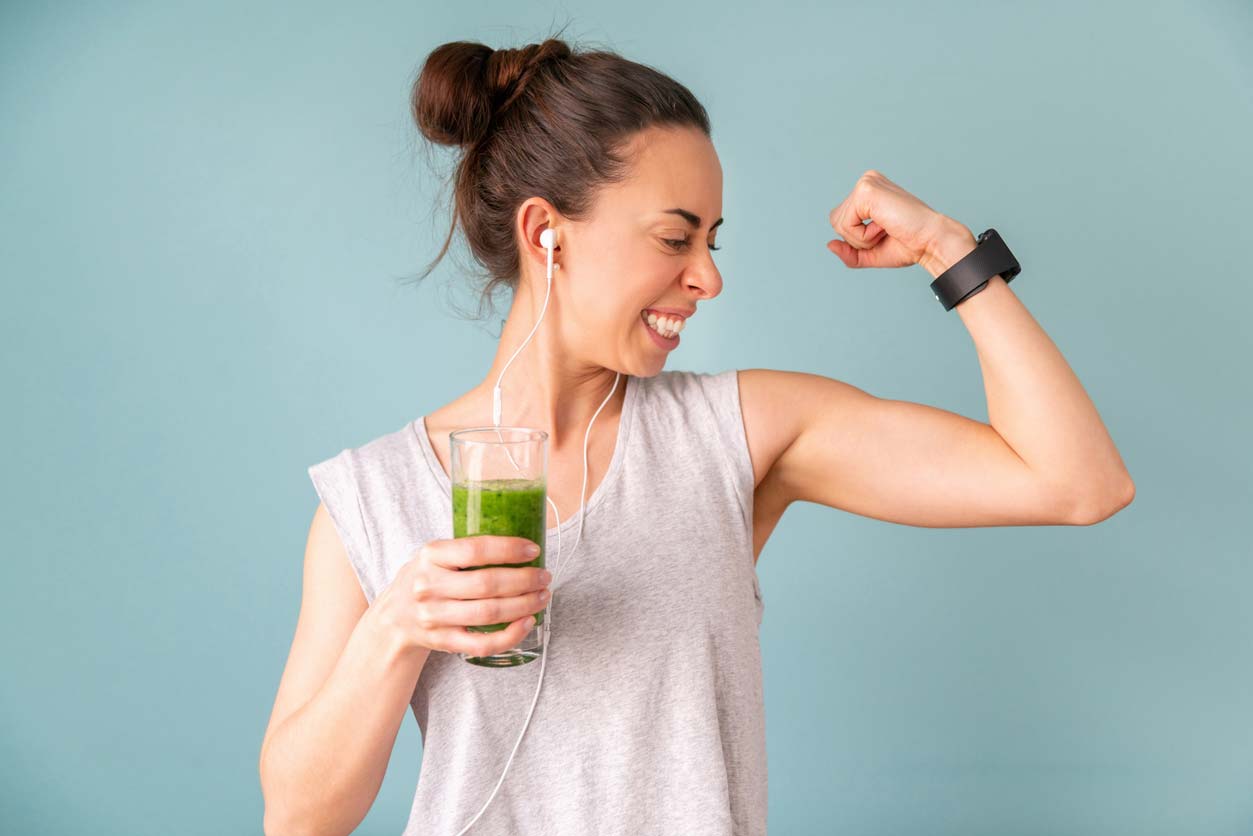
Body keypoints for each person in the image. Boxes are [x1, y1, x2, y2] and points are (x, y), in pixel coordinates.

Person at [259, 34, 1136, 836]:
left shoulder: (740, 434)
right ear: (545, 234)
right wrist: (395, 630)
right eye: (675, 237)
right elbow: (298, 819)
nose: (707, 277)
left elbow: (1075, 482)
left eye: (712, 240)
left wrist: (951, 251)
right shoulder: (371, 497)